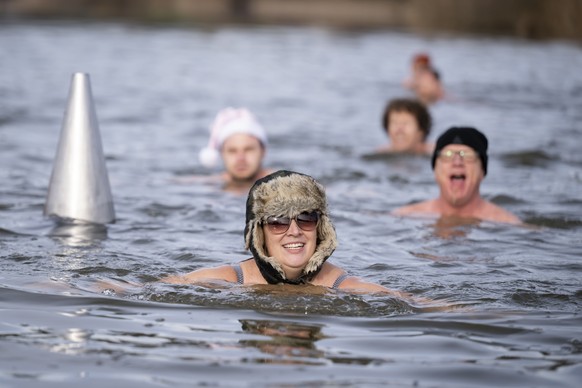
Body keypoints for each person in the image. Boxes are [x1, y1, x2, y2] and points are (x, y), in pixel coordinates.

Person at [165, 170, 414, 297]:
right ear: (258, 232)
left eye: (307, 218)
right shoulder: (231, 280)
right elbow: (150, 288)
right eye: (278, 222)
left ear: (321, 227)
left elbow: (411, 301)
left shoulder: (340, 285)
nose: (294, 231)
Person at [393, 127, 521, 225]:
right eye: (447, 155)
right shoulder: (405, 217)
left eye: (467, 155)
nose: (457, 162)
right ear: (435, 171)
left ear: (482, 171)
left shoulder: (507, 224)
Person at [179, 107, 273, 193]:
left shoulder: (282, 184)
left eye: (248, 150)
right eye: (232, 151)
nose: (240, 158)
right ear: (221, 154)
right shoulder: (205, 184)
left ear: (263, 151)